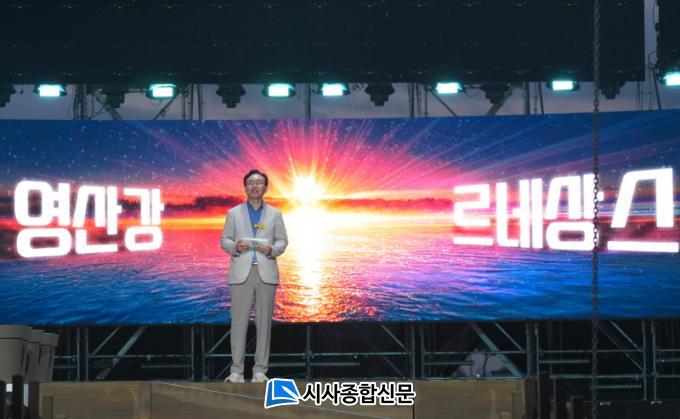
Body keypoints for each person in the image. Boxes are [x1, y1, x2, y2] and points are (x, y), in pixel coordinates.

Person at [220, 169, 288, 383]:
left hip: (266, 272)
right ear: (245, 187)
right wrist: (235, 246)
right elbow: (225, 241)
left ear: (266, 187)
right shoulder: (233, 213)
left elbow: (283, 241)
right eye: (251, 182)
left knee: (264, 324)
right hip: (241, 272)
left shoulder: (275, 214)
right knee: (238, 323)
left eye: (259, 182)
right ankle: (236, 371)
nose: (255, 185)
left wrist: (272, 250)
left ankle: (260, 371)